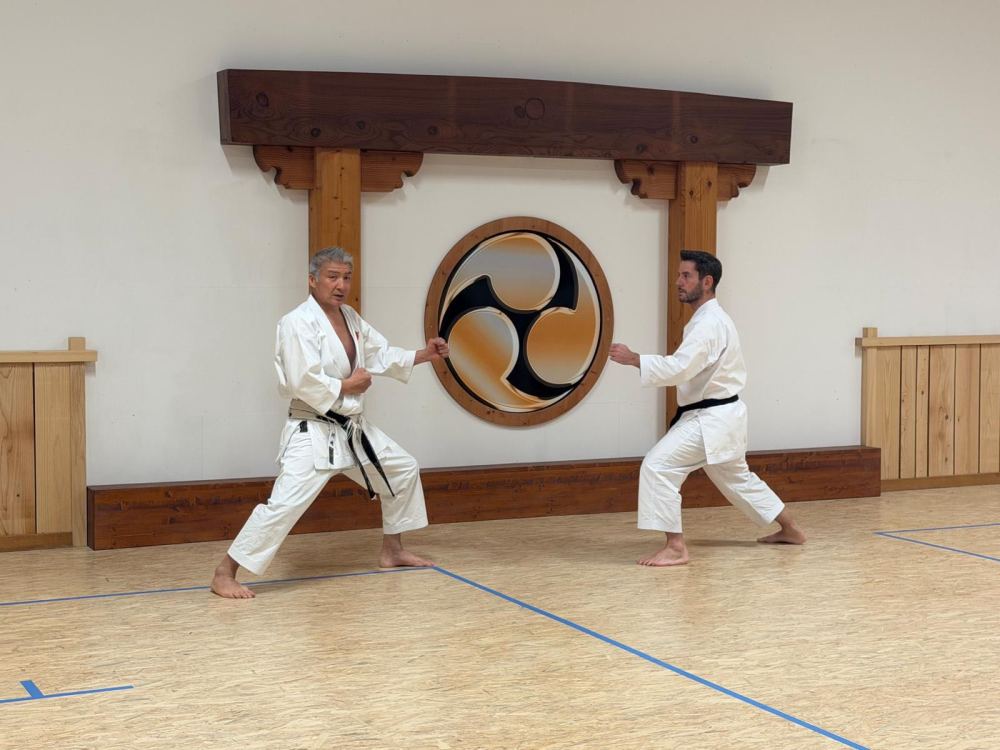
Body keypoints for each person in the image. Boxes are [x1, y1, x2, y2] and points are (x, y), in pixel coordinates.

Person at [211, 246, 449, 598]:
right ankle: (224, 572)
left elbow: (379, 353)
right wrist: (346, 385)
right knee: (285, 505)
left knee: (402, 469)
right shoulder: (297, 322)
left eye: (346, 277)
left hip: (351, 428)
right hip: (313, 429)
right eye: (332, 277)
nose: (341, 285)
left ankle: (392, 550)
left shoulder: (349, 317)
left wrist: (423, 355)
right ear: (313, 280)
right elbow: (300, 379)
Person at [609, 249, 805, 567]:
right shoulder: (709, 320)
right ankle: (791, 529)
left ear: (707, 281)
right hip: (722, 418)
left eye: (686, 276)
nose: (678, 282)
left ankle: (675, 548)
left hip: (711, 419)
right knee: (738, 479)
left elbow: (681, 368)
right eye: (678, 275)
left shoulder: (709, 323)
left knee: (658, 466)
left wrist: (635, 359)